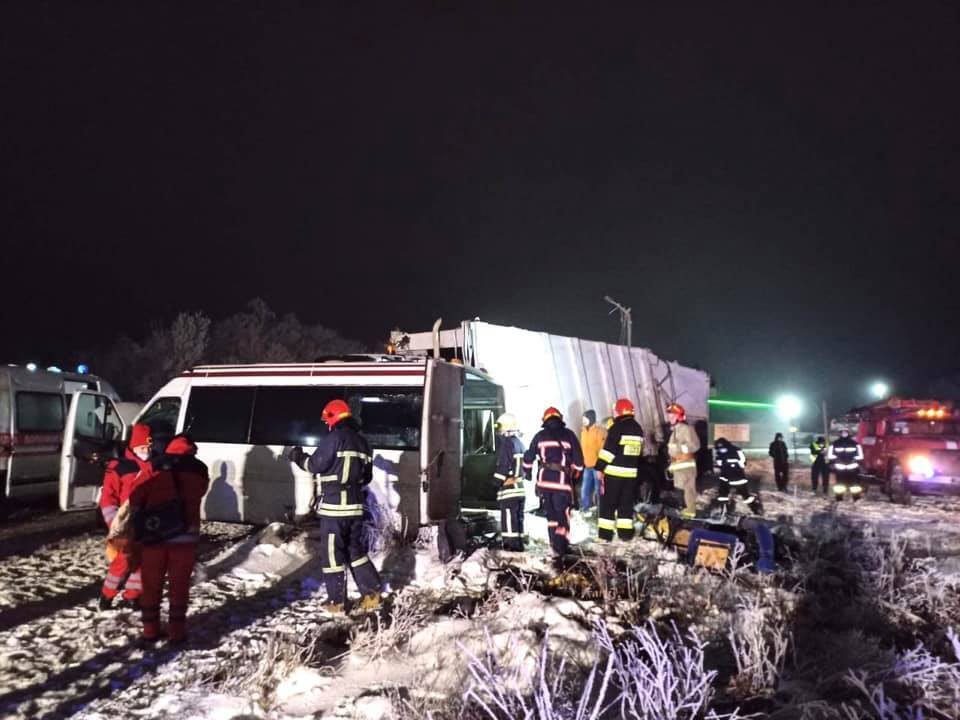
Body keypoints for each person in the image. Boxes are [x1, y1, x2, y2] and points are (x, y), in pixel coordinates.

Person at [289, 399, 383, 612]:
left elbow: (314, 465)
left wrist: (297, 457)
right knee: (355, 551)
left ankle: (336, 602)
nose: (326, 425)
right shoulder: (363, 442)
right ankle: (372, 593)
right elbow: (366, 477)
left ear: (332, 418)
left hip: (335, 509)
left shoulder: (335, 438)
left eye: (326, 420)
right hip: (356, 507)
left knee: (332, 554)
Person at [130, 434, 210, 643]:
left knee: (151, 584)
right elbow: (201, 491)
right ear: (191, 450)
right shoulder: (199, 469)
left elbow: (135, 495)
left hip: (154, 534)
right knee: (179, 586)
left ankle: (150, 630)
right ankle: (176, 632)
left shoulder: (153, 467)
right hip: (185, 536)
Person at [97, 423, 154, 611]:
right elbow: (108, 497)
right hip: (125, 522)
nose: (146, 451)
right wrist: (113, 520)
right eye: (142, 448)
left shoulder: (155, 466)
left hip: (146, 521)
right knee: (122, 562)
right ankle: (107, 596)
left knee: (144, 563)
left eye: (148, 448)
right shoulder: (119, 467)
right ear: (133, 446)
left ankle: (133, 595)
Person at [523, 407, 584, 563]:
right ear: (559, 418)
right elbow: (578, 461)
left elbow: (529, 456)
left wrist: (528, 472)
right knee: (562, 515)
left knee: (551, 516)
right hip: (562, 483)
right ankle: (560, 545)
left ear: (545, 420)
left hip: (544, 483)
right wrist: (576, 474)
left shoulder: (540, 436)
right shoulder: (569, 435)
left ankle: (554, 544)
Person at [594, 399, 644, 541]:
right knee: (625, 505)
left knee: (608, 505)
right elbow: (638, 453)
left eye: (615, 411)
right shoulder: (638, 428)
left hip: (614, 474)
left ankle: (605, 535)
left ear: (619, 411)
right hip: (630, 475)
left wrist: (599, 467)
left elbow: (608, 451)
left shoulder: (617, 427)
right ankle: (625, 534)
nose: (614, 414)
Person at [493, 412, 526, 551]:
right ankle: (519, 544)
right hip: (519, 488)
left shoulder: (506, 444)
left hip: (509, 489)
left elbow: (503, 465)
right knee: (518, 518)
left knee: (508, 518)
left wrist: (496, 482)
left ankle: (511, 547)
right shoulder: (519, 443)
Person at [666, 403, 701, 517]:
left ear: (679, 416)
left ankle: (690, 513)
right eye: (669, 415)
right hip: (679, 465)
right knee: (681, 490)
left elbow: (695, 445)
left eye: (672, 415)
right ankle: (686, 512)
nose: (669, 417)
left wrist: (679, 448)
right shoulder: (675, 430)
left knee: (688, 490)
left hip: (686, 464)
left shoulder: (686, 429)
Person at [714, 437, 763, 516]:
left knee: (723, 494)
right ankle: (755, 510)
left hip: (727, 478)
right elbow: (743, 462)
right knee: (744, 495)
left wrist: (727, 465)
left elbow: (719, 463)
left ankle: (724, 510)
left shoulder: (720, 452)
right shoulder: (736, 450)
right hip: (737, 477)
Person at [579, 410, 606, 514]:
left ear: (591, 418)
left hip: (597, 466)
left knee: (599, 489)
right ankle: (586, 509)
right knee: (585, 489)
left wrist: (601, 466)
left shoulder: (599, 431)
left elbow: (602, 449)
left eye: (585, 418)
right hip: (587, 466)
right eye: (583, 419)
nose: (583, 421)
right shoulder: (583, 432)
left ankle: (602, 510)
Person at [827, 429, 864, 502]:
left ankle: (856, 497)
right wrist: (837, 460)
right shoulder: (834, 444)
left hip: (852, 467)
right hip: (840, 467)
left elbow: (860, 456)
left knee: (854, 485)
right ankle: (839, 497)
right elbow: (830, 455)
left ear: (849, 433)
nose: (844, 434)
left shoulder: (855, 444)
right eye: (842, 432)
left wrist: (854, 460)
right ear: (840, 433)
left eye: (846, 432)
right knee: (840, 484)